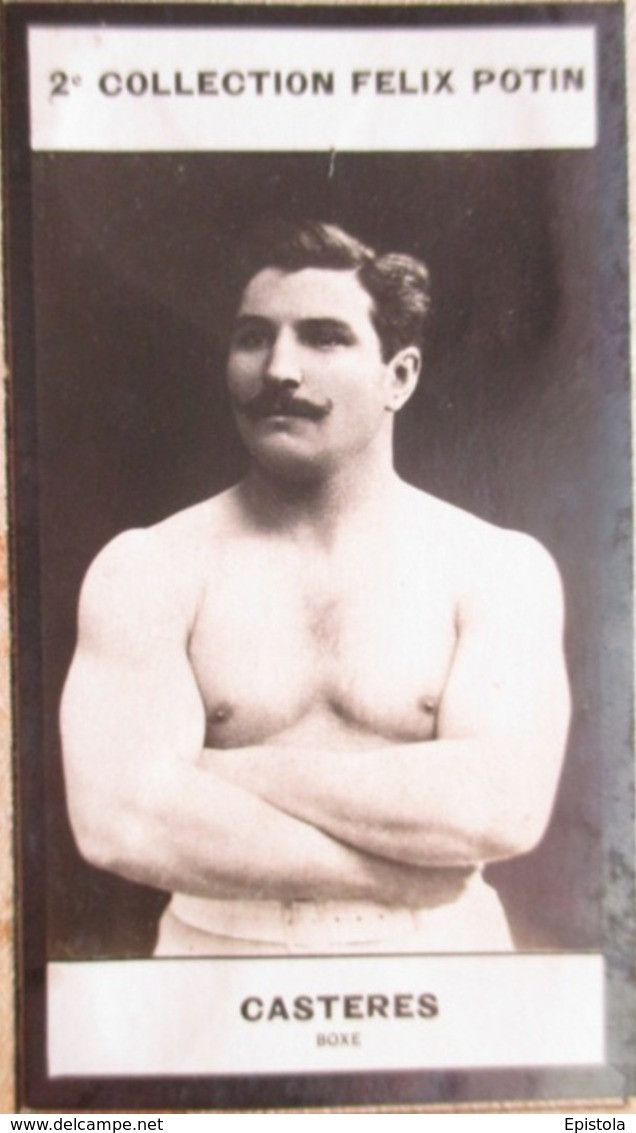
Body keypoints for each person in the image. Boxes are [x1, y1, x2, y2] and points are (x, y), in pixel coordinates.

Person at [60, 220, 571, 956]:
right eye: (252, 337)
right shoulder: (147, 566)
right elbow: (120, 820)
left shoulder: (496, 566)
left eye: (325, 337)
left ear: (400, 376)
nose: (279, 371)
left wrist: (222, 771)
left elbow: (501, 808)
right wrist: (388, 877)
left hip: (440, 956)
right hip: (219, 961)